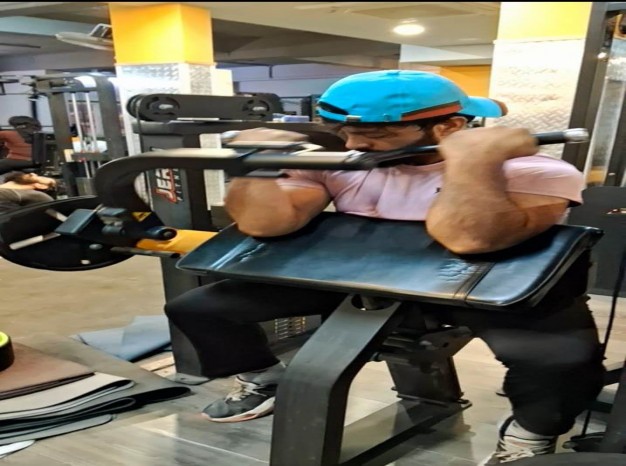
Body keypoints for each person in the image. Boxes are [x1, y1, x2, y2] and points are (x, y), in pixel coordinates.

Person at [164, 70, 605, 465]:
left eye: (375, 133)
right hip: (367, 274)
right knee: (199, 308)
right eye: (344, 131)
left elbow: (471, 239)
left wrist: (473, 161)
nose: (353, 145)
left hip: (481, 280)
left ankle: (529, 436)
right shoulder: (341, 162)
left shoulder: (535, 170)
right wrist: (255, 165)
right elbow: (266, 224)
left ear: (449, 126)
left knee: (563, 361)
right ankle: (265, 378)